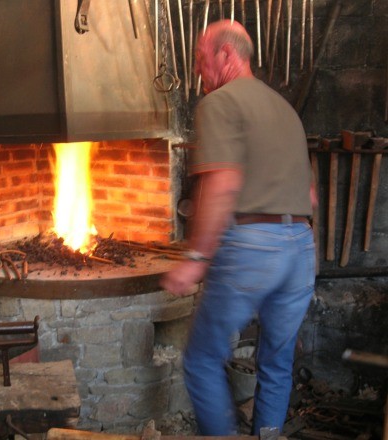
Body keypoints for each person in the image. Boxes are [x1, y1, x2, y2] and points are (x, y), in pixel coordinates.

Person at [160, 19, 317, 436]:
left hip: (253, 250)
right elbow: (311, 195)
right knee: (277, 360)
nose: (197, 69)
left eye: (199, 59)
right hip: (301, 249)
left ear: (225, 55)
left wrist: (196, 258)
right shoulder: (284, 108)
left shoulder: (220, 103)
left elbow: (222, 184)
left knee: (201, 359)